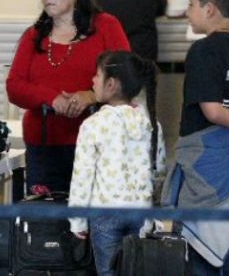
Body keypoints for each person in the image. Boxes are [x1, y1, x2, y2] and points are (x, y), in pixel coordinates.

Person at [161, 0, 229, 275]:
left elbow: (212, 111)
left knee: (197, 250)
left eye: (190, 4)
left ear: (210, 9)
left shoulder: (203, 50)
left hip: (206, 166)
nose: (187, 12)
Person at [6, 0, 130, 195]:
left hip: (97, 145)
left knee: (91, 226)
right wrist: (52, 98)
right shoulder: (34, 35)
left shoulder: (106, 26)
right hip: (43, 147)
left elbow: (127, 76)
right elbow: (14, 86)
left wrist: (92, 95)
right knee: (46, 226)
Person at [68, 50, 166, 276]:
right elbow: (159, 172)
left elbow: (83, 177)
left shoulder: (93, 125)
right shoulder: (151, 124)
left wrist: (78, 222)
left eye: (97, 75)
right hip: (142, 214)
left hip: (105, 213)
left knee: (107, 272)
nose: (92, 80)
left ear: (111, 84)